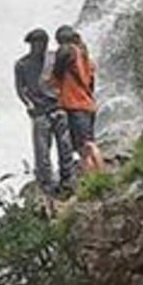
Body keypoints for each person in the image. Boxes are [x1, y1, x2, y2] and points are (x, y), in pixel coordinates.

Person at [13, 29, 74, 194]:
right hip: (39, 110)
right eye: (34, 44)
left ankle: (68, 180)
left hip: (59, 106)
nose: (36, 47)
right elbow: (20, 89)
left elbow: (68, 78)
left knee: (65, 146)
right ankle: (47, 184)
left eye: (40, 43)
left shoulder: (55, 58)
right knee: (42, 150)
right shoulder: (22, 64)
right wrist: (28, 103)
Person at [53, 27, 101, 176]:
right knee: (89, 142)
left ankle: (97, 176)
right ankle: (96, 175)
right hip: (88, 104)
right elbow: (91, 84)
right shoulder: (86, 58)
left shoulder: (67, 51)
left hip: (75, 104)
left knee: (84, 145)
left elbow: (57, 73)